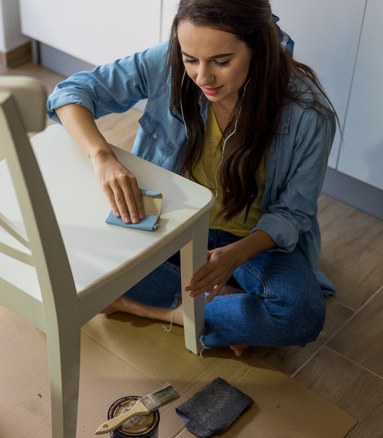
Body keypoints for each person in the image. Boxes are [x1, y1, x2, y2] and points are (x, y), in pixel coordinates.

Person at [46, 0, 337, 356]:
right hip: (174, 221)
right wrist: (102, 155)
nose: (202, 77)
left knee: (301, 314)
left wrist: (233, 256)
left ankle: (151, 309)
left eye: (222, 61)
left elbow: (293, 215)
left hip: (250, 239)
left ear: (259, 47)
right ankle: (222, 308)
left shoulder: (308, 112)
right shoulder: (168, 62)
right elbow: (71, 93)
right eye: (190, 59)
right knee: (68, 250)